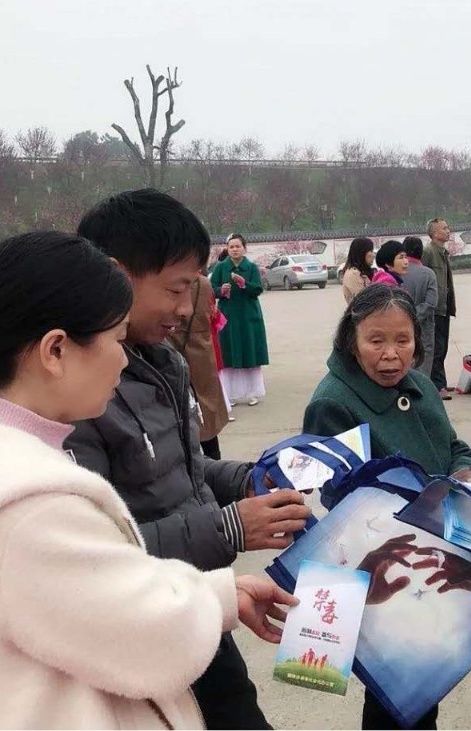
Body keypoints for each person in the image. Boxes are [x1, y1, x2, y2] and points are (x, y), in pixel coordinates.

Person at [0, 232, 296, 729]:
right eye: (116, 340)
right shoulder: (29, 508)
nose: (124, 359)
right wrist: (221, 593)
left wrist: (225, 593)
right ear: (55, 350)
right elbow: (148, 638)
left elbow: (98, 596)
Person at [69, 190, 310, 730]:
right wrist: (229, 528)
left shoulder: (163, 363)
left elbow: (184, 469)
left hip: (198, 602)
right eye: (177, 289)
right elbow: (95, 558)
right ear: (116, 276)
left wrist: (248, 479)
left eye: (194, 287)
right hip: (142, 631)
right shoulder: (78, 394)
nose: (186, 307)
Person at [302, 283, 471, 731]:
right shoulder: (333, 402)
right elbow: (337, 493)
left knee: (423, 687)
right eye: (376, 340)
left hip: (435, 547)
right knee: (397, 691)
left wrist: (464, 472)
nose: (391, 354)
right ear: (352, 341)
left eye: (403, 340)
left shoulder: (420, 386)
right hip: (383, 562)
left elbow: (454, 446)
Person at [168, 270, 231, 459]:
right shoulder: (204, 283)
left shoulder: (169, 281)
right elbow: (212, 315)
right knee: (206, 410)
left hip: (176, 348)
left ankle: (192, 461)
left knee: (180, 408)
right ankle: (214, 459)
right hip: (203, 352)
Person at [210, 234, 269, 407]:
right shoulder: (221, 267)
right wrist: (221, 290)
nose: (235, 249)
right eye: (231, 247)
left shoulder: (251, 267)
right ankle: (231, 394)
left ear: (244, 248)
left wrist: (244, 284)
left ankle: (252, 393)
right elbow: (211, 289)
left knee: (249, 350)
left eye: (238, 246)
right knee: (228, 352)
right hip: (228, 315)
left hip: (248, 315)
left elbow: (258, 289)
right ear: (227, 249)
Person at [422, 218, 456, 399]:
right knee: (435, 348)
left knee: (442, 347)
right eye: (444, 228)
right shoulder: (428, 252)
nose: (448, 230)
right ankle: (436, 385)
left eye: (448, 227)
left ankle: (440, 381)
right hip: (434, 309)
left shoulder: (443, 252)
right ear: (434, 233)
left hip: (444, 307)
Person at [400, 236, 437, 378]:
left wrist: (405, 316)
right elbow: (431, 303)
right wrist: (414, 316)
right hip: (424, 327)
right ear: (421, 252)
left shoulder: (395, 273)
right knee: (423, 366)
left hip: (400, 325)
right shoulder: (428, 274)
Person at [341, 237, 375, 304]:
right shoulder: (353, 274)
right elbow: (364, 301)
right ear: (361, 253)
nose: (373, 255)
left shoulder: (364, 272)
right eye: (371, 251)